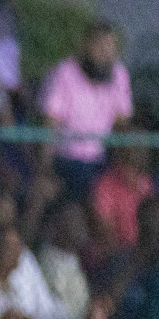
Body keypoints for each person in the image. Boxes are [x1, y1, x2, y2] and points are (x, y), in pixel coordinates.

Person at [42, 22, 132, 199]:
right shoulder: (64, 72)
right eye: (99, 46)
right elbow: (49, 123)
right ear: (85, 46)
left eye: (110, 47)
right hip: (68, 158)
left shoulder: (119, 74)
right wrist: (45, 168)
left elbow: (123, 122)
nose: (105, 53)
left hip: (103, 158)